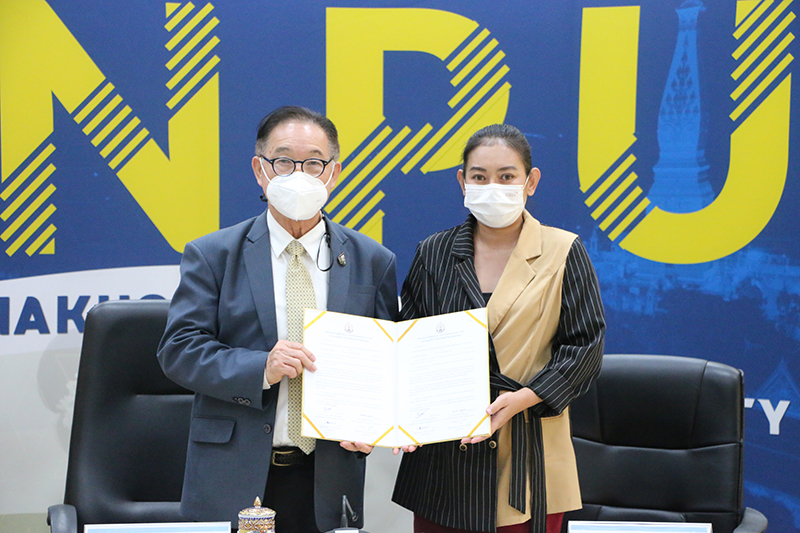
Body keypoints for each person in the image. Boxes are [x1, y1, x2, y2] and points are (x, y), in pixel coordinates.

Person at [157, 105, 398, 533]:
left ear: (334, 173)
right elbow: (179, 350)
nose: (299, 175)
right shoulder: (213, 255)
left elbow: (385, 364)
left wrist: (375, 424)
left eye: (314, 163)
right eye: (284, 161)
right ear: (259, 170)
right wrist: (260, 368)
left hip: (328, 477)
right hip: (233, 473)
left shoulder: (372, 261)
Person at [391, 124, 605, 533]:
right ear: (462, 182)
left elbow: (586, 348)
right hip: (444, 456)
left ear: (531, 181)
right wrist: (405, 412)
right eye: (480, 177)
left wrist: (526, 397)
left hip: (528, 452)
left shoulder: (564, 250)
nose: (493, 187)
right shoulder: (433, 252)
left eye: (507, 176)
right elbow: (409, 343)